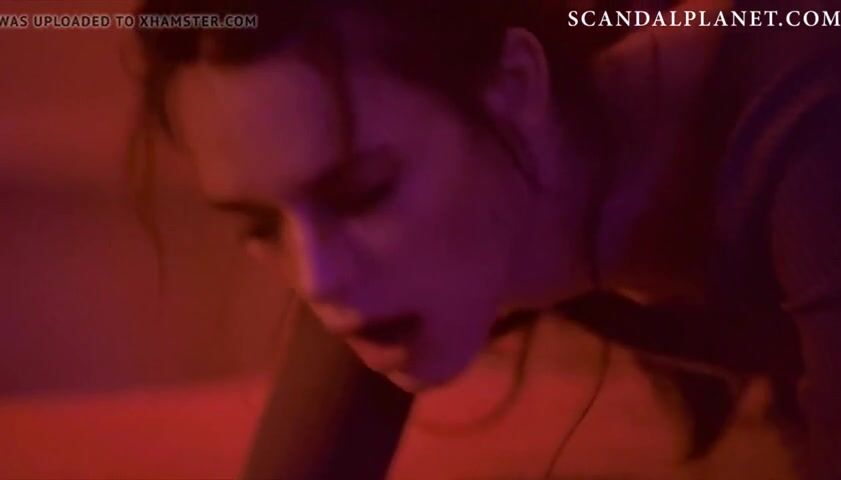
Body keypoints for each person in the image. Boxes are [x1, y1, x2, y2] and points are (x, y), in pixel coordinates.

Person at [132, 0, 841, 478]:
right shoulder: (384, 248)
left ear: (515, 85)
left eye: (364, 193)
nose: (316, 276)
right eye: (262, 225)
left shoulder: (811, 126)